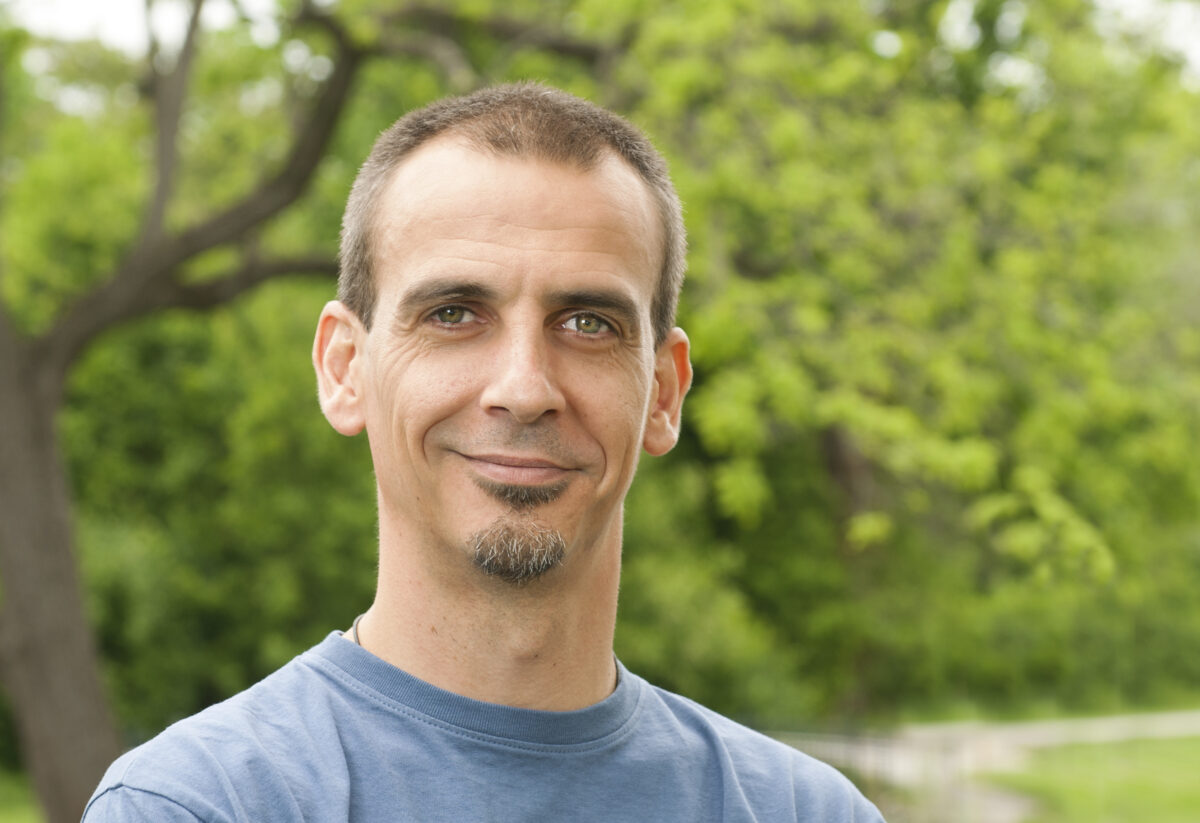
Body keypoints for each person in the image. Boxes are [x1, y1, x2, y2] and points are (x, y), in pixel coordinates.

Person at [83, 83, 885, 822]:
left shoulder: (803, 810)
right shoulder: (197, 804)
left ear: (665, 392)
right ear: (344, 369)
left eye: (588, 323)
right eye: (455, 313)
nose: (524, 387)